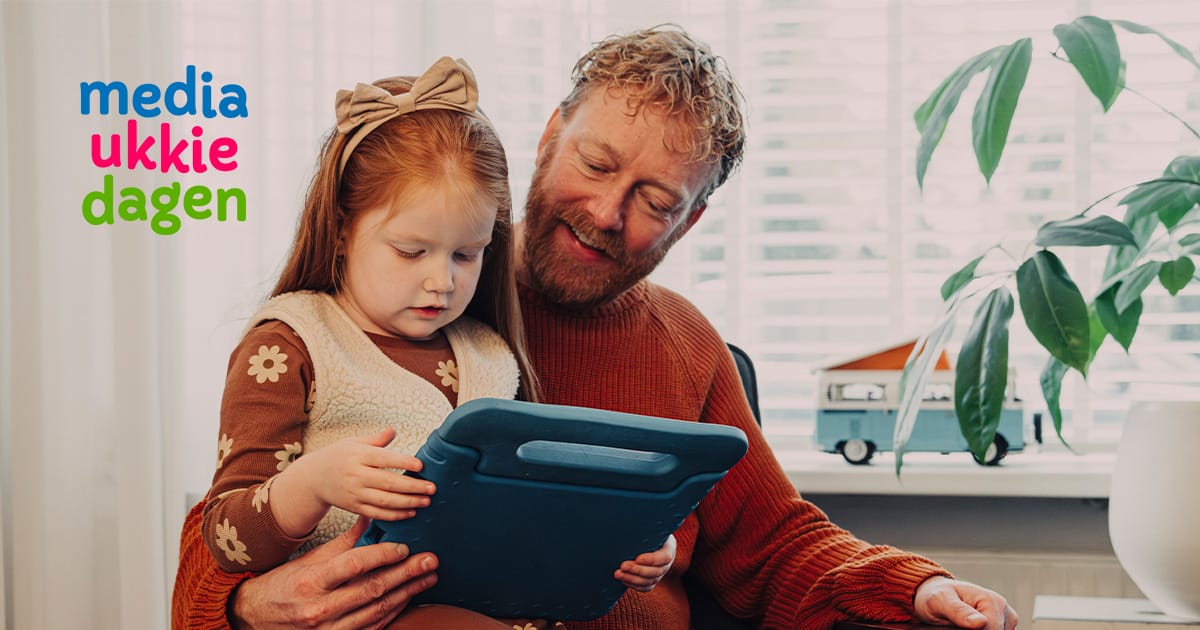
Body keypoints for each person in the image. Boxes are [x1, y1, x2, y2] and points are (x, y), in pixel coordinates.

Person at [173, 28, 1019, 630]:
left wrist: (914, 588)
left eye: (656, 203)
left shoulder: (683, 343)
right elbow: (223, 531)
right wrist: (250, 608)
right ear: (548, 139)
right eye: (597, 164)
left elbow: (776, 541)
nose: (608, 213)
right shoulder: (399, 308)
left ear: (689, 224)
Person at [191, 56, 674, 626]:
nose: (440, 282)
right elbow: (228, 537)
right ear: (343, 231)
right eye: (411, 251)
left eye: (466, 254)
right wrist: (313, 484)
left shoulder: (492, 355)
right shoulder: (293, 344)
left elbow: (537, 500)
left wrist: (632, 536)